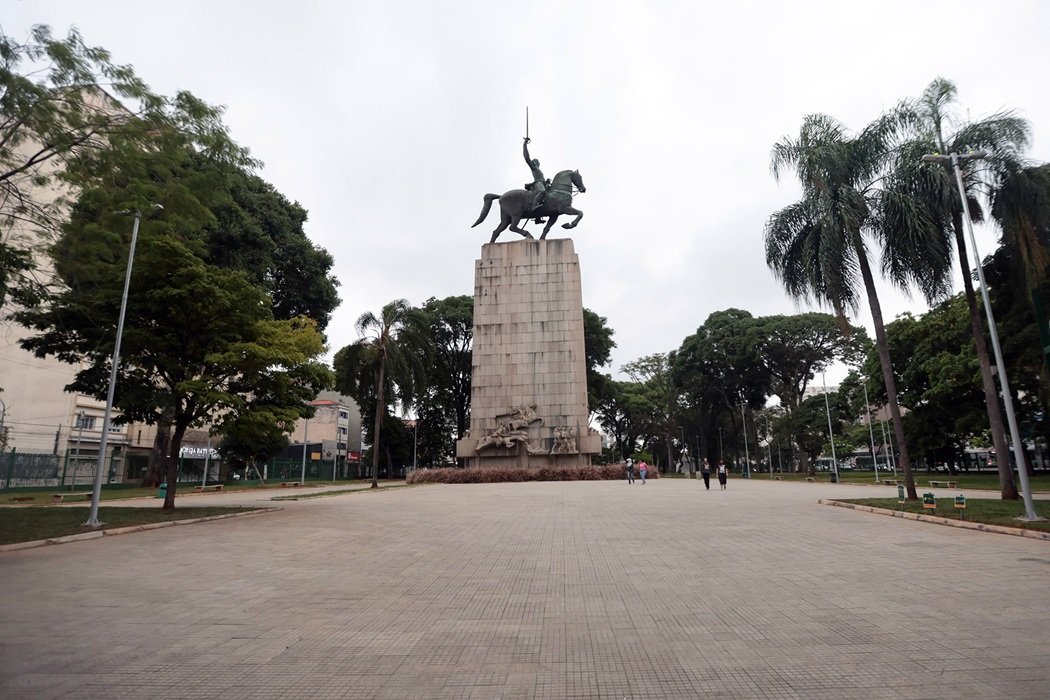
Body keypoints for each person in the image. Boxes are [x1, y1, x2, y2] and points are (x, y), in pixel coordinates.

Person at [523, 137, 547, 222]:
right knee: (542, 192)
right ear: (534, 163)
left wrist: (547, 181)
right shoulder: (533, 168)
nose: (538, 163)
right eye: (537, 162)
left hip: (542, 183)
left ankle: (538, 218)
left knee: (548, 196)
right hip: (538, 183)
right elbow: (526, 157)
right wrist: (525, 144)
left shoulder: (538, 170)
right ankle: (533, 207)